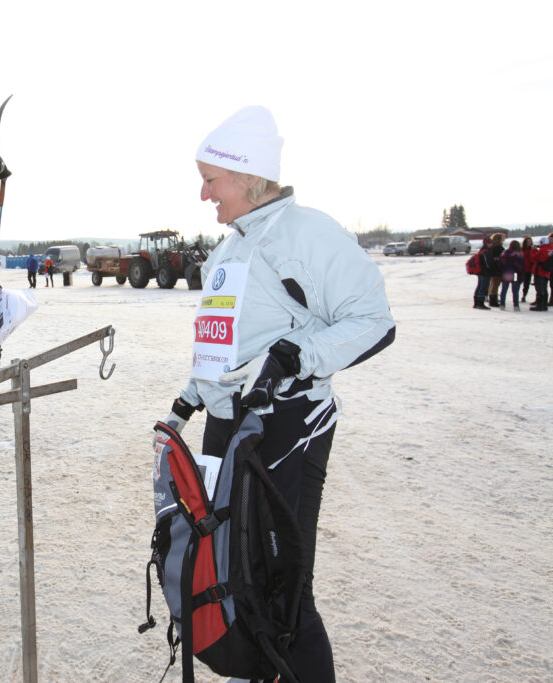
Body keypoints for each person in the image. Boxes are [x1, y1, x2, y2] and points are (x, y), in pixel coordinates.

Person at [155, 106, 395, 682]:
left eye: (211, 179)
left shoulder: (305, 234)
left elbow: (372, 321)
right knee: (230, 565)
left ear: (246, 174)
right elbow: (225, 345)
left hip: (285, 424)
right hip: (225, 425)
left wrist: (294, 358)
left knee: (282, 578)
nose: (203, 193)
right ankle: (252, 669)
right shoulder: (229, 249)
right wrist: (190, 396)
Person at [498, 240, 524, 311]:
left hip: (507, 273)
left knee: (504, 290)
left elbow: (501, 263)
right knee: (515, 291)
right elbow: (520, 266)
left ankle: (502, 304)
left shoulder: (505, 253)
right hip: (515, 273)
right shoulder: (518, 254)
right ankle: (516, 305)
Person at [531, 234, 553, 311]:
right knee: (545, 288)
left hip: (540, 271)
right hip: (548, 271)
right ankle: (544, 305)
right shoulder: (551, 248)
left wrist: (533, 250)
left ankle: (540, 305)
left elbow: (535, 257)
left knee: (540, 289)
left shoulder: (542, 249)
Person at [485, 233, 505, 308]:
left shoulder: (492, 247)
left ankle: (492, 299)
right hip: (497, 269)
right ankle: (493, 300)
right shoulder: (498, 248)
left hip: (493, 269)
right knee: (495, 284)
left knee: (493, 284)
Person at [521, 236, 536, 303]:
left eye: (530, 242)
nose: (529, 243)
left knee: (526, 284)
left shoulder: (532, 249)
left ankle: (524, 296)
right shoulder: (522, 249)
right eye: (527, 242)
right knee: (518, 282)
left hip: (529, 269)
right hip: (522, 268)